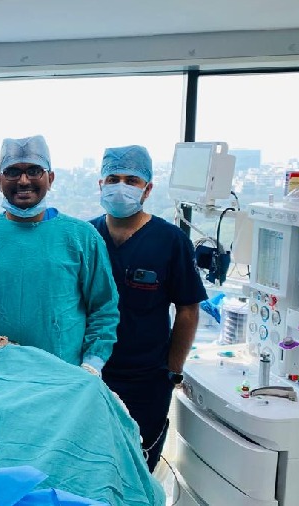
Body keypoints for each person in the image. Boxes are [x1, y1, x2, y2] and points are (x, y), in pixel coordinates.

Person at [0, 135, 120, 378]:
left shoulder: (82, 238)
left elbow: (103, 307)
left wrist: (92, 363)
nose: (23, 181)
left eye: (34, 171)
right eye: (13, 172)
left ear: (50, 178)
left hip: (62, 378)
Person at [89, 145, 207, 472]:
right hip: (91, 374)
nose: (120, 187)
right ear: (101, 184)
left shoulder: (170, 240)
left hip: (146, 380)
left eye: (131, 180)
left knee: (137, 466)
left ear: (148, 188)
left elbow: (188, 309)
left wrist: (172, 370)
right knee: (92, 465)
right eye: (113, 178)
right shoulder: (87, 236)